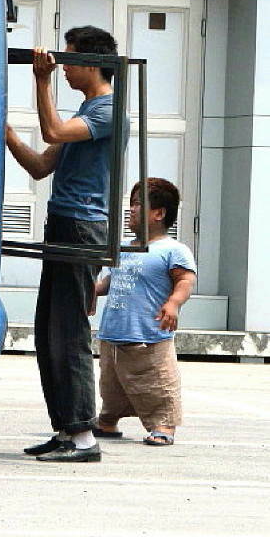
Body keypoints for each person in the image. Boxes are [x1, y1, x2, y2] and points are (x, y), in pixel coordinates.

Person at [6, 26, 121, 463]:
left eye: (68, 59)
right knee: (50, 332)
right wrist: (5, 131)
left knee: (69, 333)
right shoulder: (88, 110)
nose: (63, 68)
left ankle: (84, 437)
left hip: (82, 229)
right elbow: (39, 165)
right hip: (65, 223)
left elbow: (52, 131)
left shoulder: (109, 110)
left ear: (90, 64)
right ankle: (65, 429)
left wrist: (40, 80)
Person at [92, 177, 196, 446]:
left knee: (157, 383)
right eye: (131, 203)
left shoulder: (172, 250)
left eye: (139, 204)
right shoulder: (124, 246)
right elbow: (110, 281)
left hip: (149, 335)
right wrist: (93, 290)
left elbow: (184, 280)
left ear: (159, 213)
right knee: (111, 385)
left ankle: (164, 424)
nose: (132, 210)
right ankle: (107, 420)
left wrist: (173, 303)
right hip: (114, 333)